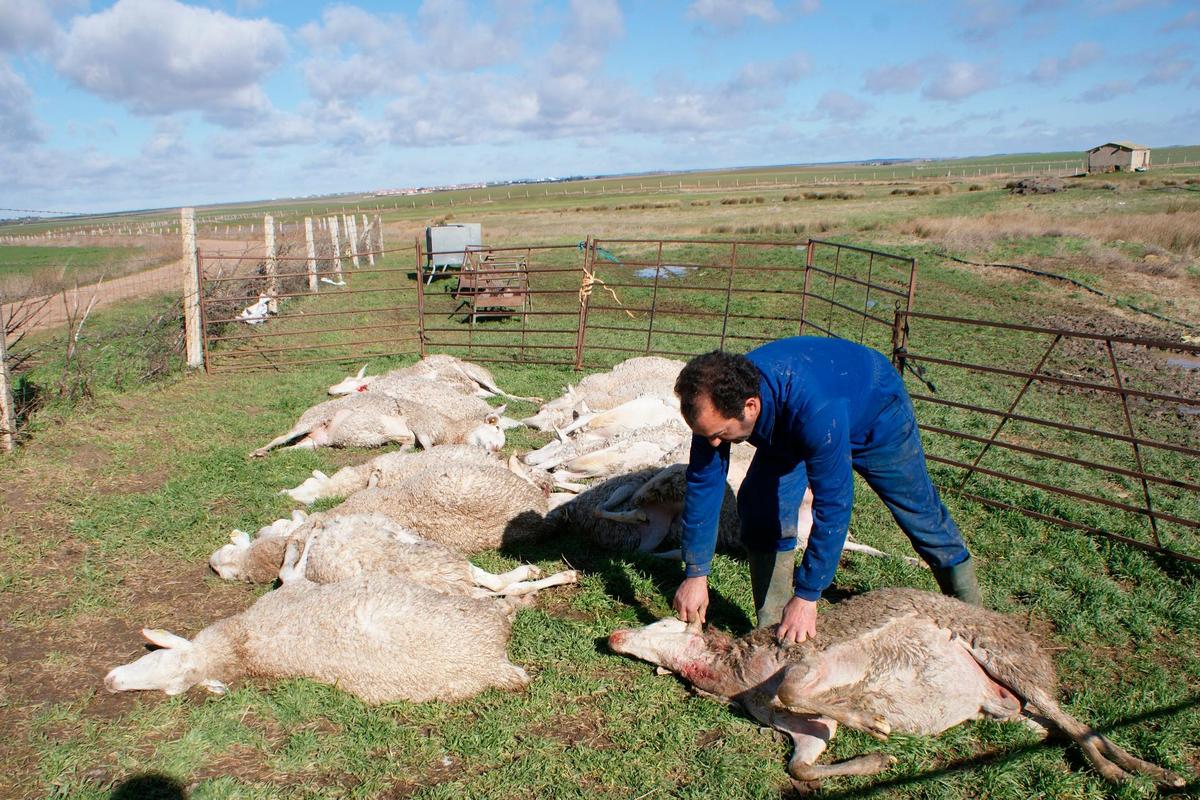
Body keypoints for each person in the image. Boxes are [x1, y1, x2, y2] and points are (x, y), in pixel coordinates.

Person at [671, 337, 980, 645]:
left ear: (750, 407)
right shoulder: (715, 408)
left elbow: (834, 503)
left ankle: (972, 623)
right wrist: (696, 573)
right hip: (795, 421)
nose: (713, 443)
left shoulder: (812, 410)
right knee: (762, 506)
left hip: (874, 411)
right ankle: (775, 630)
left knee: (919, 513)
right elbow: (703, 483)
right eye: (707, 435)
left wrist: (808, 594)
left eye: (721, 434)